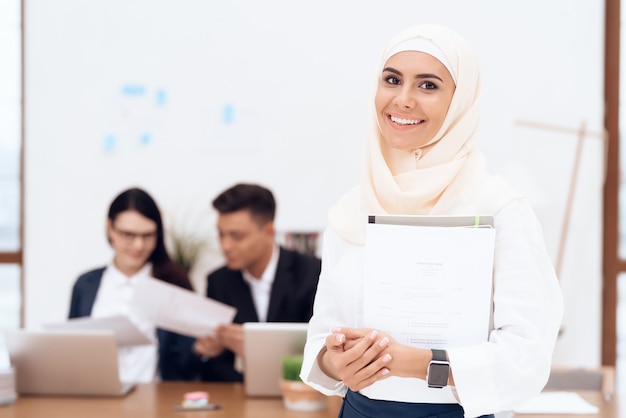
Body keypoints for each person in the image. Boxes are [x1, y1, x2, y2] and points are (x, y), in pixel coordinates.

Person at [299, 24, 564, 418]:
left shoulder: (500, 208)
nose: (403, 100)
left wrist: (417, 363)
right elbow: (321, 340)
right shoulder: (353, 208)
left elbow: (525, 358)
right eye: (392, 80)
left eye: (428, 86)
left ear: (461, 101)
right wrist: (332, 362)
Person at [193, 183, 322, 382]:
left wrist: (255, 349)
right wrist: (208, 350)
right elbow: (216, 367)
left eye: (237, 236)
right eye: (221, 234)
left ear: (268, 231)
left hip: (300, 394)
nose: (226, 246)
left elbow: (320, 349)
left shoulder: (311, 273)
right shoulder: (218, 281)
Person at [69, 187, 197, 382]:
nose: (138, 245)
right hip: (97, 401)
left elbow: (186, 365)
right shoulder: (85, 285)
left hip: (157, 404)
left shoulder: (173, 283)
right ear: (110, 228)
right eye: (128, 235)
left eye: (148, 236)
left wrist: (200, 349)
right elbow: (71, 350)